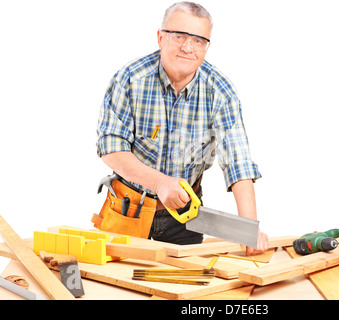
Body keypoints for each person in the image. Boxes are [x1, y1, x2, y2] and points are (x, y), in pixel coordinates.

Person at [96, 2, 268, 254]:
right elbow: (111, 148)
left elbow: (238, 162)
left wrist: (249, 229)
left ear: (206, 47)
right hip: (128, 208)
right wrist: (160, 183)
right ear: (160, 37)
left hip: (185, 215)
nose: (188, 47)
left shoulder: (220, 91)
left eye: (198, 40)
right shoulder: (129, 79)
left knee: (186, 287)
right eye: (179, 36)